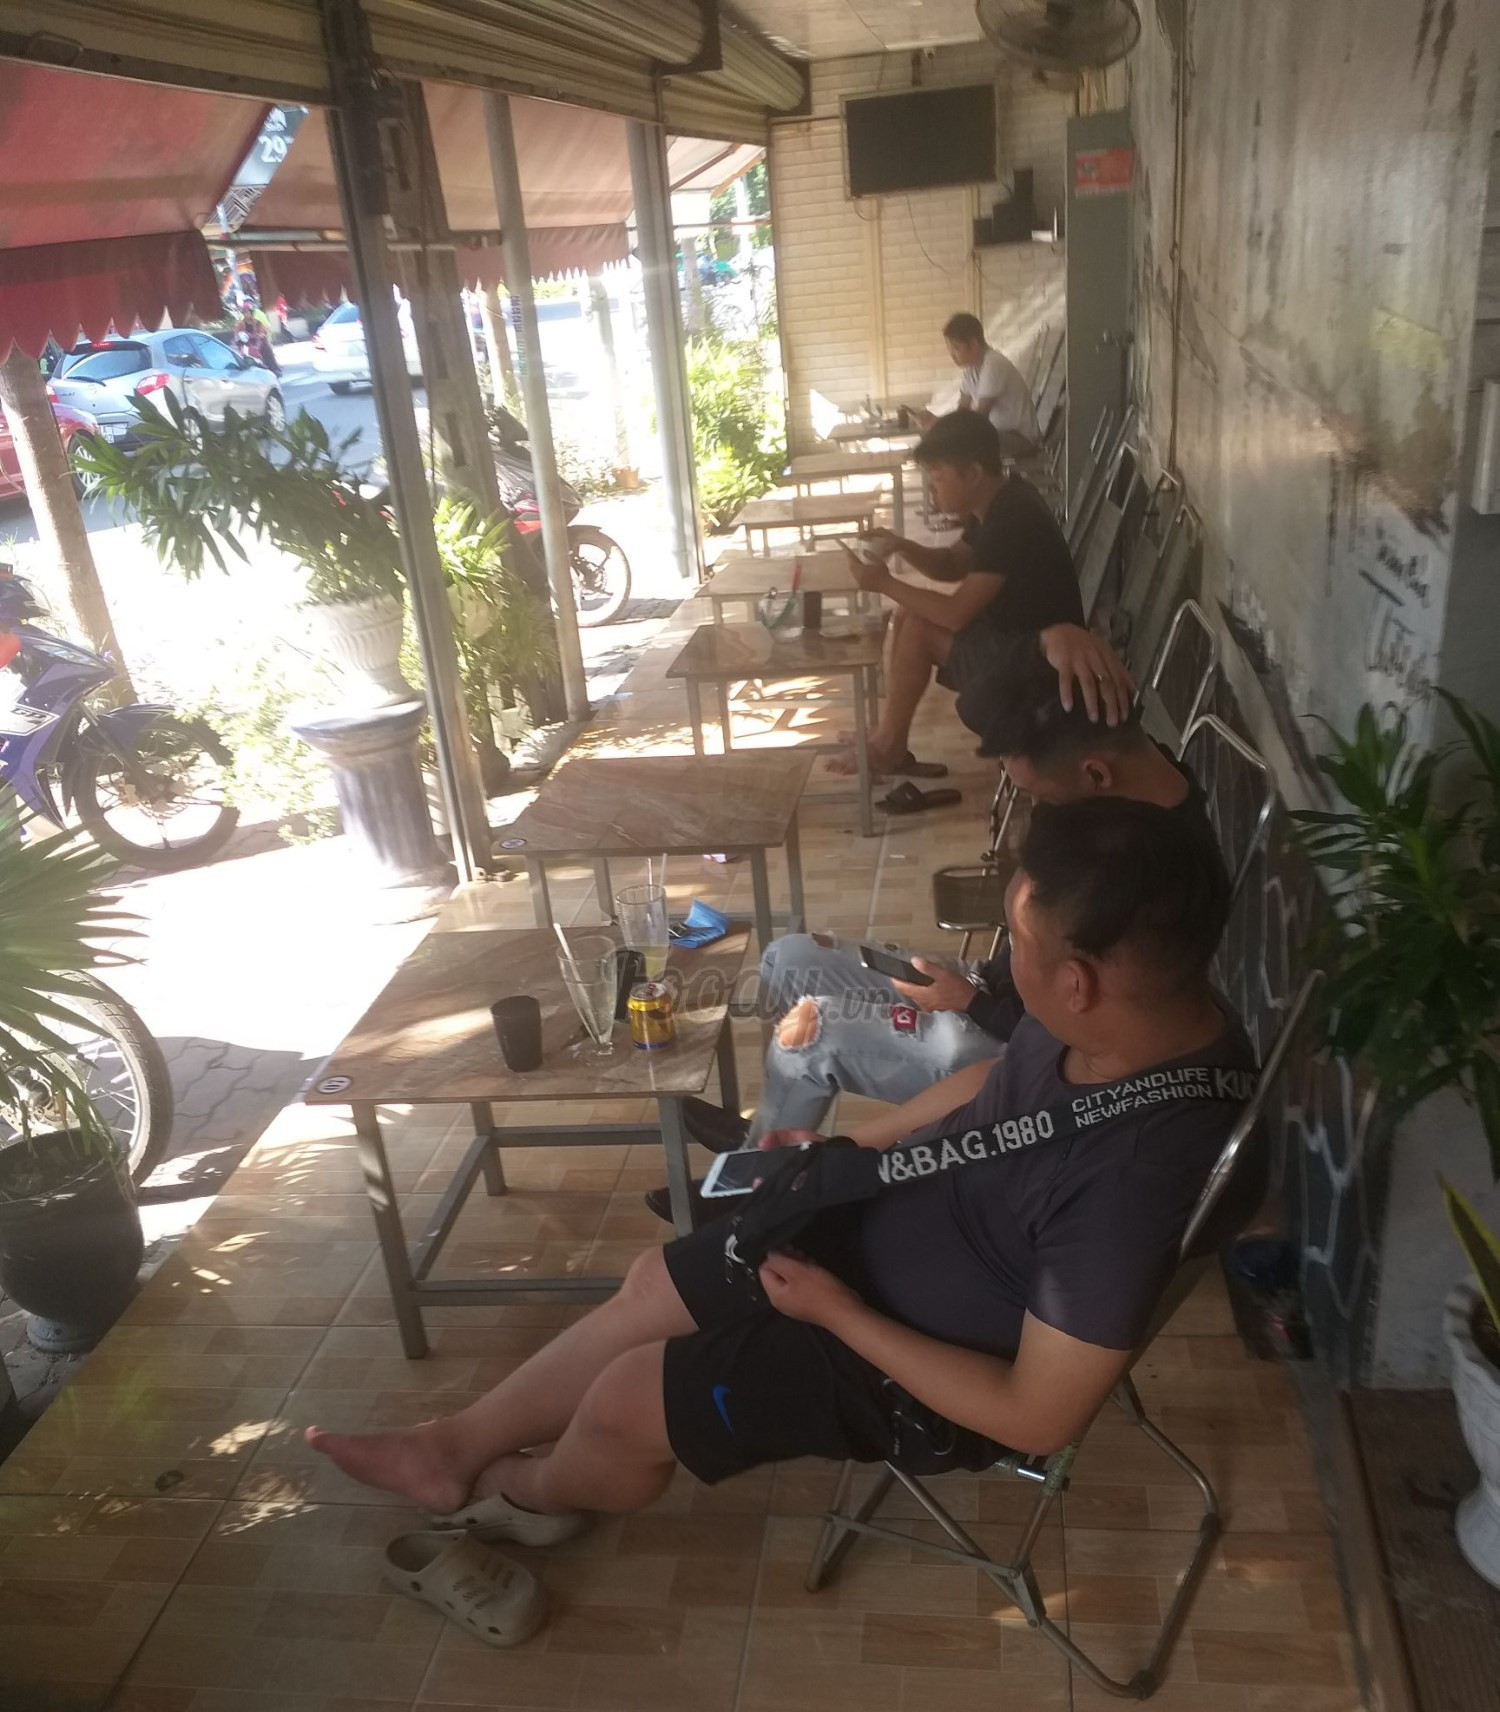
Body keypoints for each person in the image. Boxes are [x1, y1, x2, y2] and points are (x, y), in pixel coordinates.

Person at [307, 801, 1261, 1571]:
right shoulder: (1136, 1012)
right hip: (892, 1220)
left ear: (1079, 981)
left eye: (1017, 940)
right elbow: (993, 1080)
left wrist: (837, 1314)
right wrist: (843, 1152)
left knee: (627, 1400)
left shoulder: (1136, 1180)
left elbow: (1037, 1416)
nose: (1006, 962)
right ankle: (451, 1448)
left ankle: (526, 1492)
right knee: (655, 1283)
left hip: (913, 1364)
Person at [662, 640, 1214, 1172]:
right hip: (991, 990)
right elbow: (982, 677)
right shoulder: (1133, 783)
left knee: (809, 1036)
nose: (1039, 809)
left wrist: (969, 1004)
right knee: (788, 959)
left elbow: (1068, 1037)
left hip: (1010, 1047)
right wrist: (1048, 638)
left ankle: (758, 1181)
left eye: (1042, 795)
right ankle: (771, 1137)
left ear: (1095, 774)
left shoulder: (1146, 884)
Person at [829, 411, 1109, 789]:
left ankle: (887, 747)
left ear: (973, 473)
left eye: (937, 477)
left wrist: (882, 583)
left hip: (1041, 663)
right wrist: (900, 545)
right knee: (909, 617)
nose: (932, 490)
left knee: (918, 629)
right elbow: (952, 565)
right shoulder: (1000, 500)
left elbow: (956, 614)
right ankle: (887, 738)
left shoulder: (1011, 520)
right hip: (1023, 642)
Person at [916, 312, 1040, 458]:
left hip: (1018, 439)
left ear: (973, 344)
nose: (952, 355)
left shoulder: (993, 364)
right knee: (946, 440)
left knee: (956, 445)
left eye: (956, 348)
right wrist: (937, 421)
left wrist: (941, 427)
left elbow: (979, 419)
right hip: (998, 435)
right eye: (950, 349)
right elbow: (962, 411)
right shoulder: (971, 368)